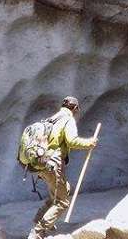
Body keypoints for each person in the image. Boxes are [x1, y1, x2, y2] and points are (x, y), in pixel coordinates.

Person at [28, 96, 97, 239]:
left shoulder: (52, 118)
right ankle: (38, 231)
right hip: (53, 164)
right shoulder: (67, 119)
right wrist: (89, 143)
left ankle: (40, 219)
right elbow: (72, 141)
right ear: (75, 108)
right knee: (63, 202)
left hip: (41, 164)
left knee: (62, 190)